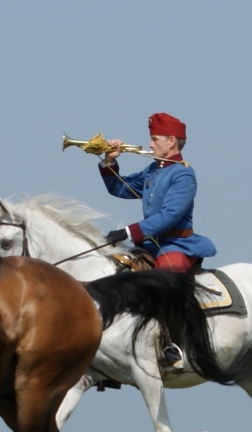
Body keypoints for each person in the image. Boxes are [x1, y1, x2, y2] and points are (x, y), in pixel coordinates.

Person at [98, 112, 217, 366]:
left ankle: (174, 347)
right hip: (150, 245)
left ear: (171, 141)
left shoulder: (183, 175)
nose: (150, 144)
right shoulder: (154, 170)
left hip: (177, 245)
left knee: (166, 280)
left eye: (154, 139)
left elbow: (170, 216)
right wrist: (109, 162)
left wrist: (129, 232)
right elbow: (121, 187)